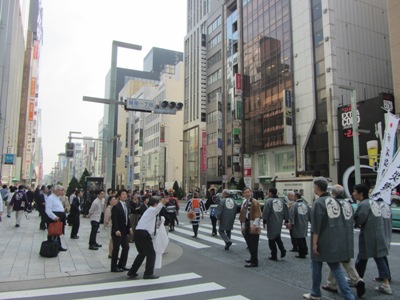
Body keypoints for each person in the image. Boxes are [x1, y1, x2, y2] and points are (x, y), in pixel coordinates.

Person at [303, 177, 354, 300]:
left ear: (316, 188)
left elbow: (316, 225)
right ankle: (349, 295)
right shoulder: (335, 201)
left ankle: (315, 293)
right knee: (336, 268)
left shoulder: (318, 203)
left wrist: (315, 243)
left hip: (322, 239)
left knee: (316, 266)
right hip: (335, 239)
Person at [322, 184, 365, 298]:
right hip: (347, 234)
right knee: (344, 259)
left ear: (334, 193)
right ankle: (352, 281)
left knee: (334, 259)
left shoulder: (332, 203)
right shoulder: (348, 204)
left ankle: (336, 284)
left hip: (335, 234)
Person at [353, 184, 392, 295]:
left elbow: (359, 220)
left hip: (369, 236)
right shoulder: (374, 202)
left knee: (363, 258)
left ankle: (357, 279)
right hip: (378, 233)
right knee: (378, 257)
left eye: (355, 191)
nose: (353, 193)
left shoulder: (363, 204)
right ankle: (385, 283)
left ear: (361, 193)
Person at [127, 196, 169, 279]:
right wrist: (162, 203)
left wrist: (158, 224)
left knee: (142, 253)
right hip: (143, 234)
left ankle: (132, 271)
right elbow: (157, 209)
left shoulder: (149, 211)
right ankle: (148, 273)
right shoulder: (152, 210)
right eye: (158, 203)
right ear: (156, 204)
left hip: (139, 233)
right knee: (151, 253)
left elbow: (149, 224)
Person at [262, 187, 289, 261]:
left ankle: (274, 254)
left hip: (271, 221)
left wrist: (264, 221)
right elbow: (286, 211)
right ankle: (282, 249)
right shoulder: (281, 201)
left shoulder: (269, 201)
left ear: (270, 193)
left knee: (271, 238)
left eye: (268, 192)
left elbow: (266, 212)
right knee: (277, 236)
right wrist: (286, 220)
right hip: (279, 221)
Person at [239, 187, 262, 268]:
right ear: (243, 194)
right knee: (249, 242)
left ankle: (254, 261)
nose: (247, 194)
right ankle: (252, 257)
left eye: (248, 192)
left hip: (253, 223)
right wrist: (243, 225)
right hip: (247, 223)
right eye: (245, 192)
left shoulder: (255, 202)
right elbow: (243, 215)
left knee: (253, 243)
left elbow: (258, 214)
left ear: (251, 193)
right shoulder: (245, 202)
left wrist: (254, 225)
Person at [110, 190, 133, 272]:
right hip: (118, 232)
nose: (125, 196)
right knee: (116, 249)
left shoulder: (126, 205)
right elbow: (114, 219)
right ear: (119, 196)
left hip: (124, 231)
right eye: (123, 194)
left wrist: (130, 228)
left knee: (126, 247)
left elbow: (128, 218)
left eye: (126, 194)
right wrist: (116, 230)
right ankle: (114, 267)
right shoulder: (116, 207)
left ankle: (122, 265)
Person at [45, 185, 68, 251]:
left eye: (61, 190)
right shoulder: (50, 198)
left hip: (59, 218)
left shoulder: (57, 198)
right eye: (59, 190)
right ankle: (50, 247)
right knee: (52, 233)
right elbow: (48, 210)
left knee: (57, 233)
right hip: (53, 218)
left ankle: (58, 246)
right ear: (55, 190)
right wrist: (54, 217)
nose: (61, 192)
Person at [288, 192, 310, 259]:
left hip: (297, 223)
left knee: (299, 239)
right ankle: (305, 250)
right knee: (303, 237)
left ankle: (301, 253)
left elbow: (292, 215)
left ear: (295, 197)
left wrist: (291, 223)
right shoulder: (305, 204)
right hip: (304, 223)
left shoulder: (295, 205)